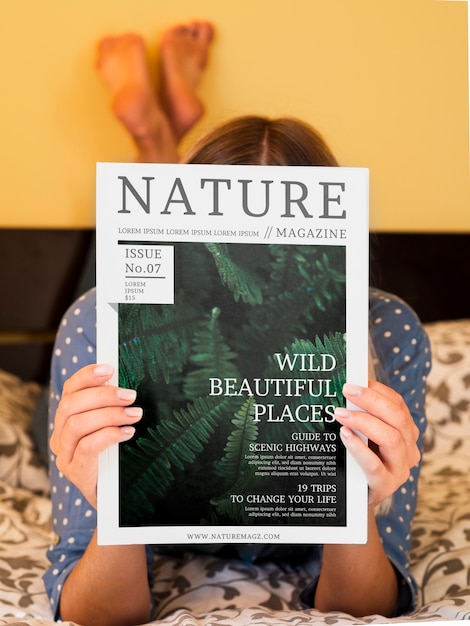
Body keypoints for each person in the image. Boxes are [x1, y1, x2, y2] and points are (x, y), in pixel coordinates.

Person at [43, 21, 431, 626]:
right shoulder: (92, 324)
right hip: (134, 312)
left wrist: (360, 505)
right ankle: (154, 143)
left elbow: (363, 609)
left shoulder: (389, 330)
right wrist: (111, 501)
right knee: (114, 289)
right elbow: (90, 613)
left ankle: (156, 143)